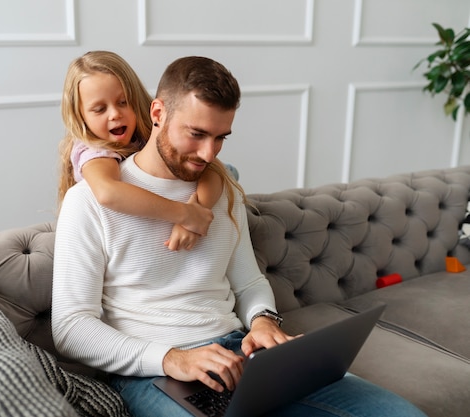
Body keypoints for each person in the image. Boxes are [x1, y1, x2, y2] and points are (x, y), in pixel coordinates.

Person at [51, 56, 427, 417]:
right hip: (155, 371)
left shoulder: (221, 190)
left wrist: (264, 321)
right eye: (196, 134)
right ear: (158, 113)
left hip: (240, 352)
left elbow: (248, 282)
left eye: (220, 137)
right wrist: (172, 359)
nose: (208, 153)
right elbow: (71, 328)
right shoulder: (88, 202)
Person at [58, 50, 226, 251]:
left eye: (123, 102)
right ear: (80, 117)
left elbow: (213, 168)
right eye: (100, 109)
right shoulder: (92, 150)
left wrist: (198, 214)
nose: (115, 114)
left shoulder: (149, 130)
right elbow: (107, 193)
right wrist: (185, 214)